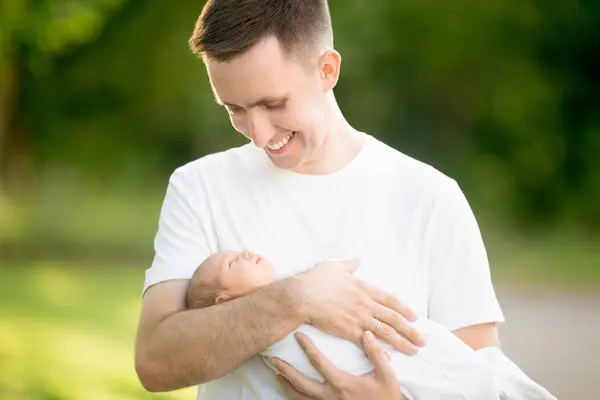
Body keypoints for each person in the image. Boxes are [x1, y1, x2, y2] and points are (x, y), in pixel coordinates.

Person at [134, 1, 556, 399]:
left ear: (326, 70)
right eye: (235, 109)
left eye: (273, 104)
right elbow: (155, 362)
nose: (259, 135)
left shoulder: (430, 197)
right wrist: (296, 298)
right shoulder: (199, 187)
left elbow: (478, 376)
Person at [185, 249, 500, 399]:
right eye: (231, 262)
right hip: (376, 372)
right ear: (223, 302)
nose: (246, 252)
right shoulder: (261, 338)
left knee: (459, 365)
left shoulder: (299, 282)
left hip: (396, 351)